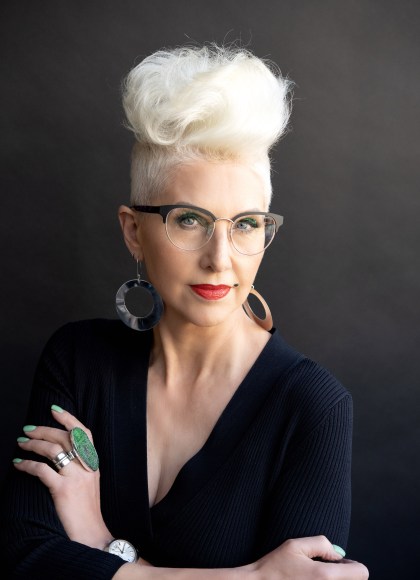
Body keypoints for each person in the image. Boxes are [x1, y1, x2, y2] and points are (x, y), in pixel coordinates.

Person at [1, 43, 369, 579]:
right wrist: (252, 578)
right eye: (189, 220)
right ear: (134, 231)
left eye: (246, 224)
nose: (220, 259)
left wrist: (100, 543)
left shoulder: (311, 406)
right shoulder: (78, 361)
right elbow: (24, 561)